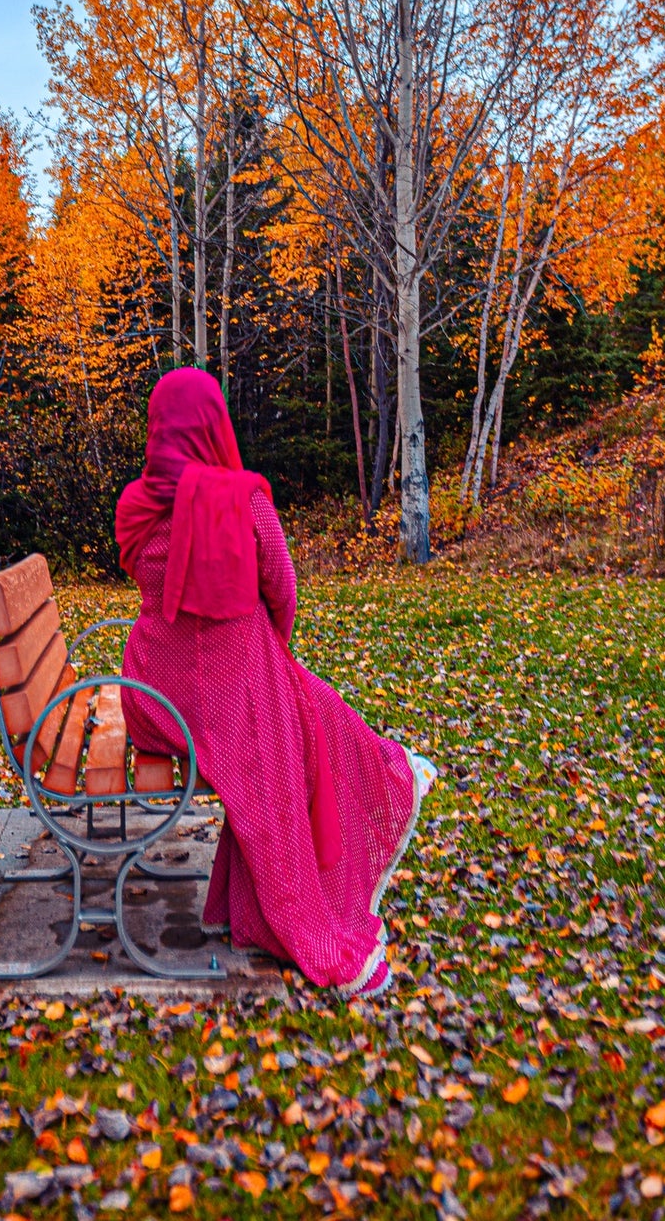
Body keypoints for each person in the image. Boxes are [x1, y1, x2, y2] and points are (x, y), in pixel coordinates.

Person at [116, 367, 436, 997]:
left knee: (312, 705)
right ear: (215, 425)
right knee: (283, 753)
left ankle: (392, 766)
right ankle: (384, 787)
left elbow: (150, 582)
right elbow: (282, 590)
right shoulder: (246, 500)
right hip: (226, 686)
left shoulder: (136, 504)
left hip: (153, 693)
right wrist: (264, 645)